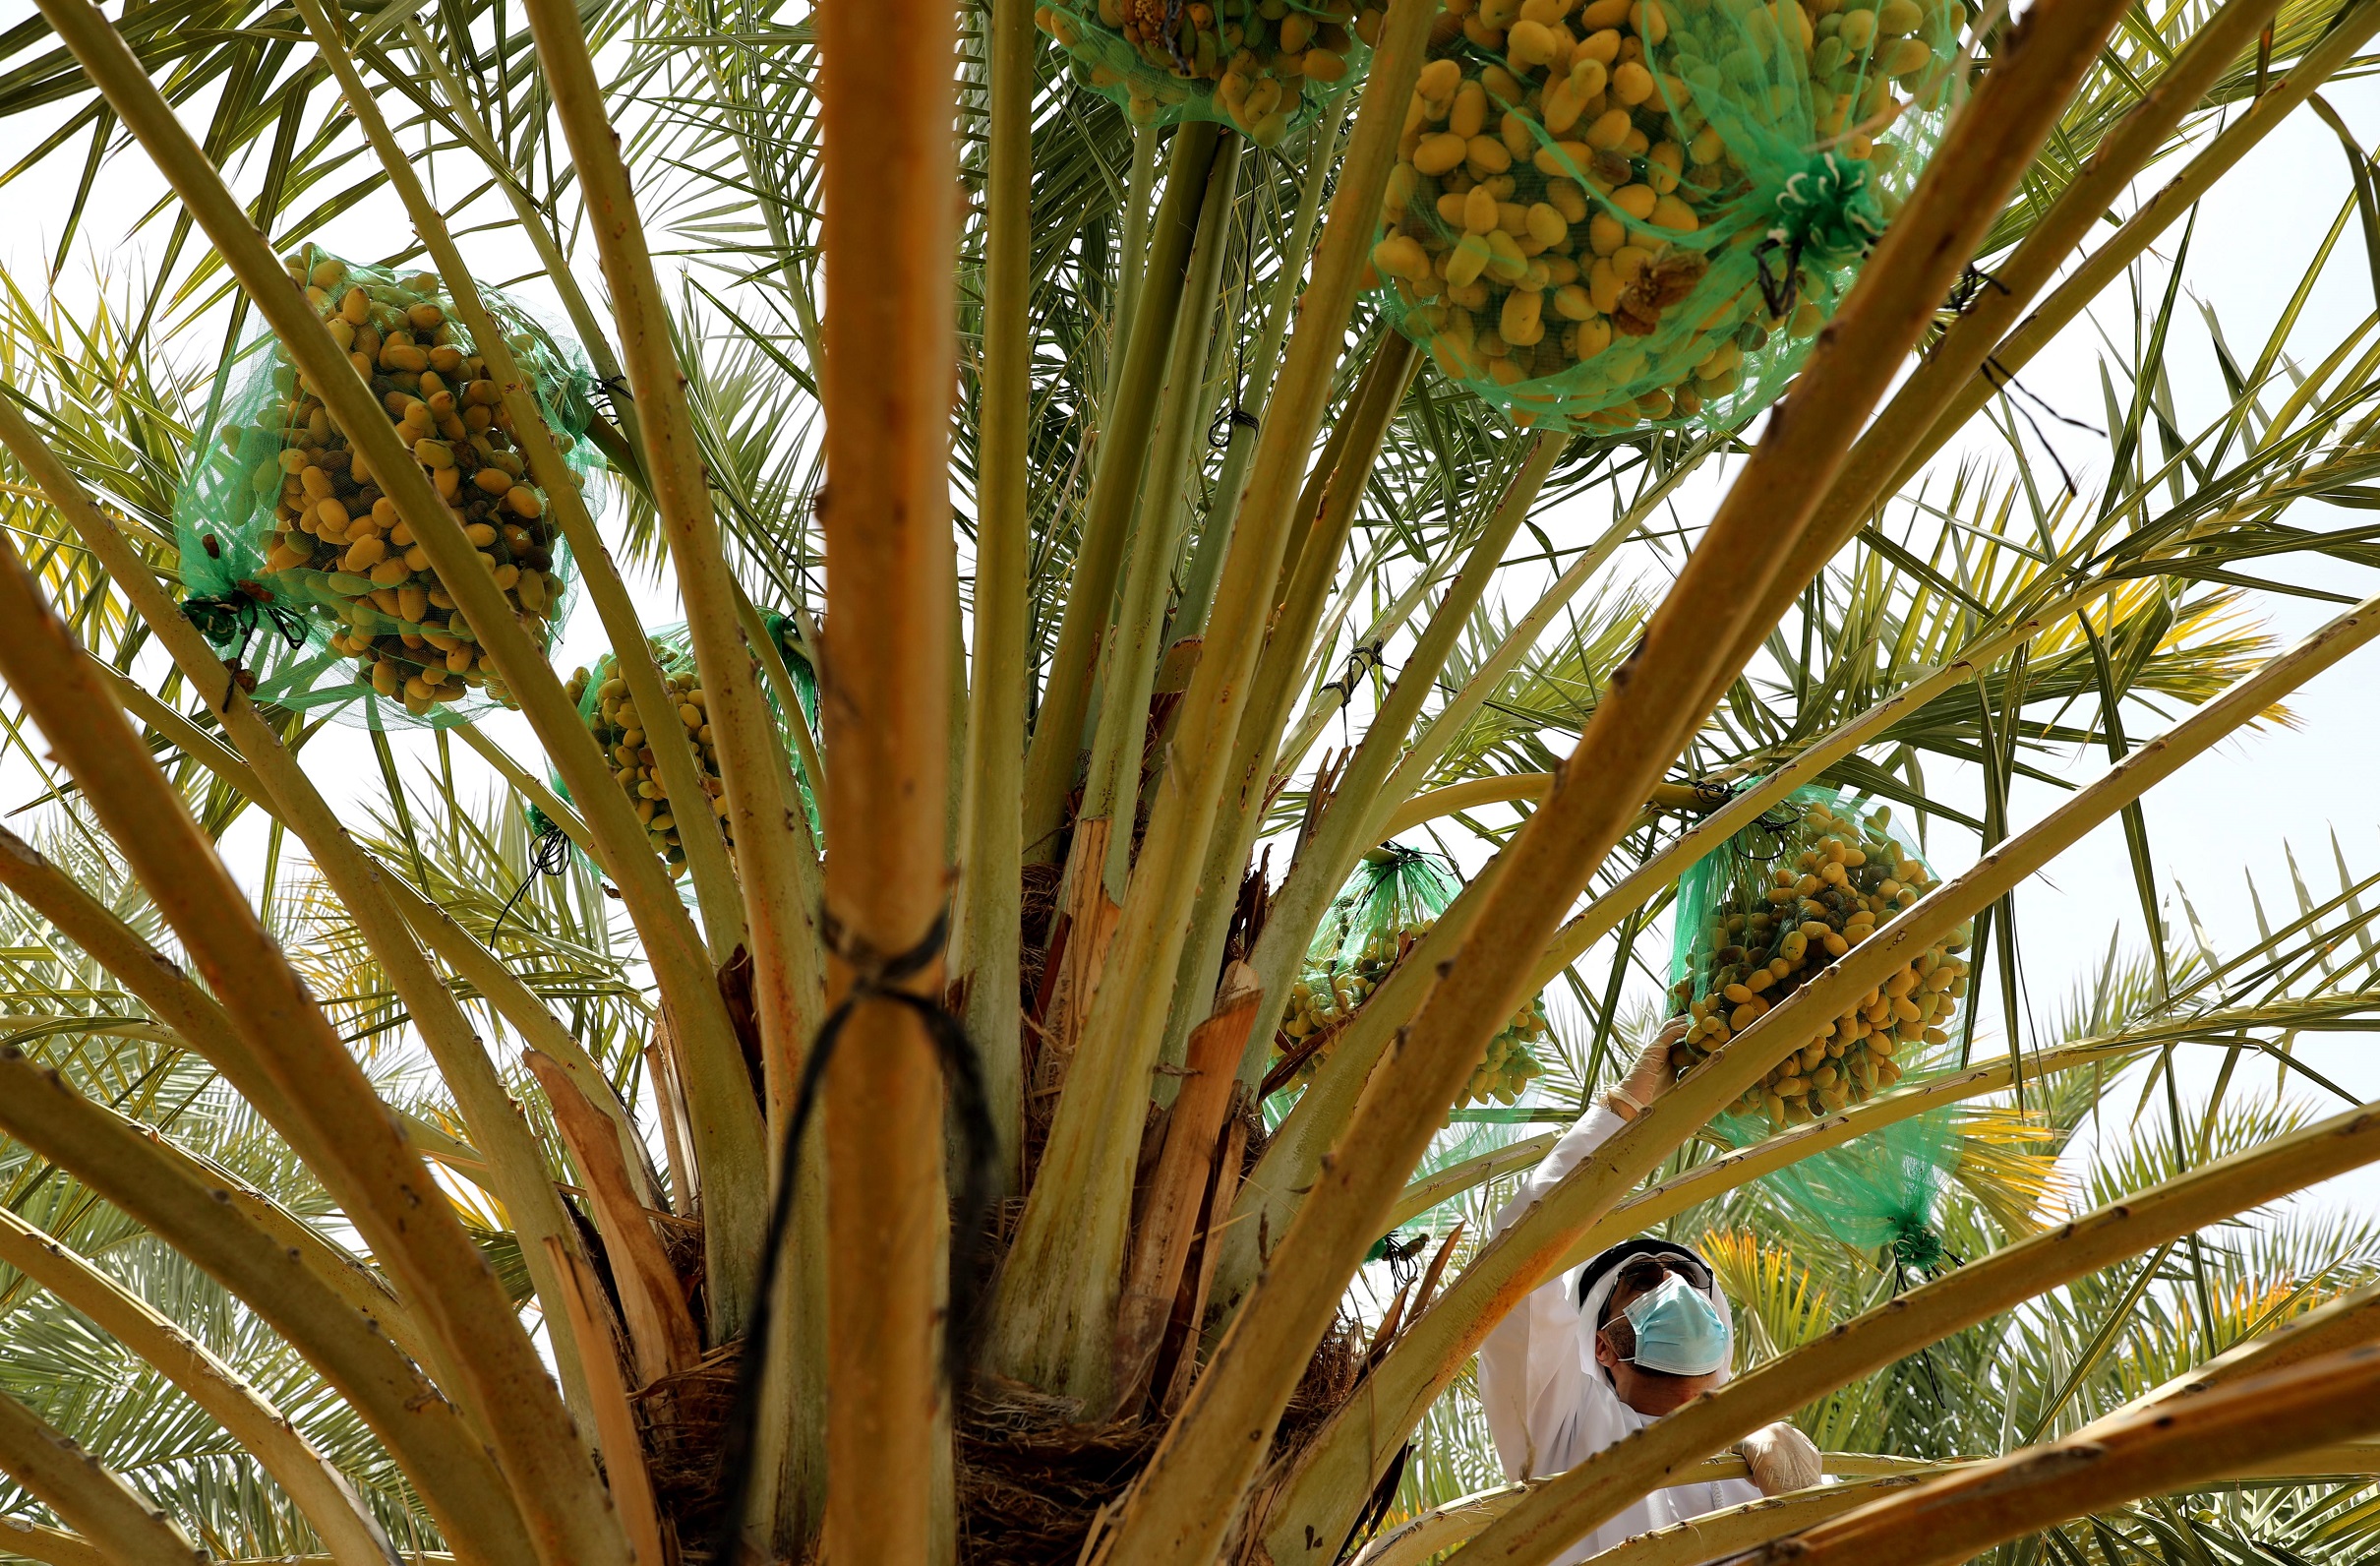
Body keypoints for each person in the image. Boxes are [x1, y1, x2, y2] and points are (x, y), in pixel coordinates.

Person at [1477, 1019, 1822, 1563]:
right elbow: (1515, 1266)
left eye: (1688, 1279)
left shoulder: (1771, 1466)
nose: (1674, 1283)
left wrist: (1809, 1509)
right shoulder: (1566, 1434)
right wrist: (1621, 1116)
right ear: (1603, 1345)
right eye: (1644, 1280)